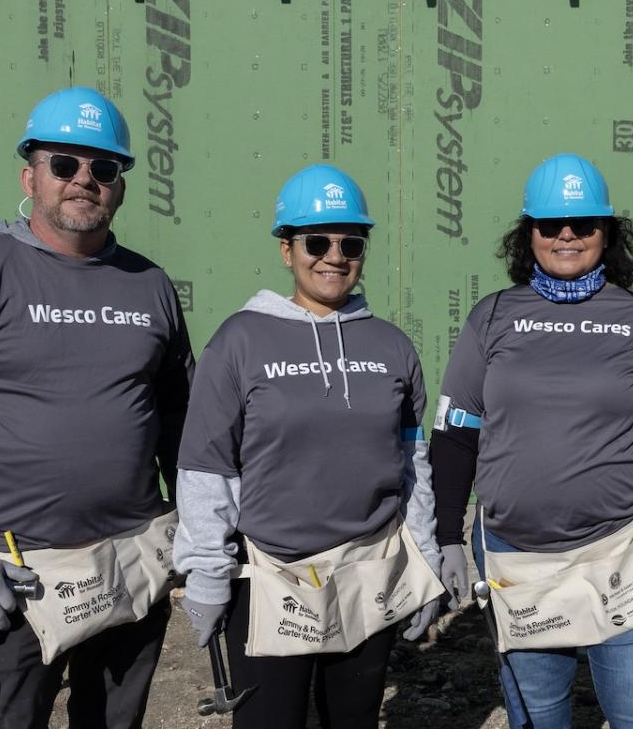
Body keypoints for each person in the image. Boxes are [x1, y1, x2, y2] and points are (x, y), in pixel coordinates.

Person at [0, 86, 194, 728]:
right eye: (64, 164)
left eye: (103, 168)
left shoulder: (151, 285)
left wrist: (196, 520)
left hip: (131, 562)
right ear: (30, 174)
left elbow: (180, 419)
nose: (84, 180)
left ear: (121, 185)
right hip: (15, 576)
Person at [432, 153, 633, 729]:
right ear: (527, 233)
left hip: (623, 554)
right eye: (550, 224)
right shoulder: (492, 318)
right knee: (539, 718)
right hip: (518, 559)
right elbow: (456, 433)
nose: (566, 235)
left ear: (606, 234)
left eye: (583, 224)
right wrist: (448, 537)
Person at [172, 164, 443, 729]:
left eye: (352, 243)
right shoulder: (240, 340)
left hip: (370, 569)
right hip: (272, 576)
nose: (334, 256)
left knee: (354, 719)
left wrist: (425, 561)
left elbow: (413, 463)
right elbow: (207, 466)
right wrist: (205, 570)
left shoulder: (391, 346)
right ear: (286, 250)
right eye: (316, 241)